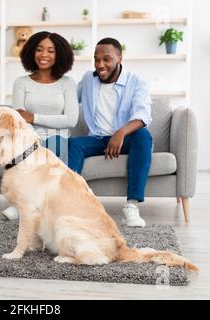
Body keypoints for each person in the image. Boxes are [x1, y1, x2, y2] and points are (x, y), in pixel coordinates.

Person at [69, 37, 153, 227]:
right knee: (73, 144)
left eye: (106, 59)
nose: (100, 65)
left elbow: (143, 115)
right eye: (96, 59)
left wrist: (120, 133)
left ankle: (131, 206)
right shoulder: (88, 80)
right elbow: (69, 101)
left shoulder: (137, 82)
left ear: (119, 58)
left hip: (125, 140)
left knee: (143, 136)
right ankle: (70, 204)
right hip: (97, 139)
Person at [2, 31, 79, 220]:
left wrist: (33, 117)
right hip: (29, 137)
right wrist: (31, 135)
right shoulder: (21, 83)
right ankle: (21, 203)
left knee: (54, 146)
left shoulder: (68, 84)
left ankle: (35, 205)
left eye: (51, 51)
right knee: (26, 150)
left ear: (60, 54)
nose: (44, 55)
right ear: (31, 52)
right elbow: (18, 120)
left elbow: (70, 120)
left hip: (58, 138)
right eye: (39, 49)